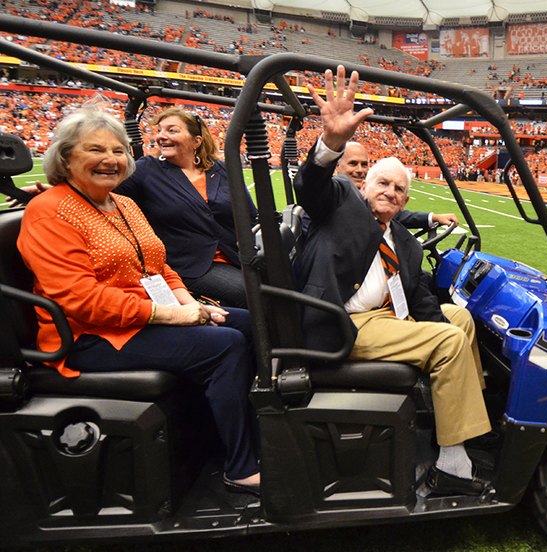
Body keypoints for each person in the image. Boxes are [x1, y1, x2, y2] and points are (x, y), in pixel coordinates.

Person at [17, 105, 261, 496]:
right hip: (91, 336)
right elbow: (83, 301)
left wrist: (187, 304)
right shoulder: (50, 212)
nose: (111, 160)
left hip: (141, 317)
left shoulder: (124, 204)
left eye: (118, 151)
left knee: (248, 324)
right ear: (66, 158)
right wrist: (173, 316)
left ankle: (226, 432)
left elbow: (159, 266)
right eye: (95, 150)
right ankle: (240, 464)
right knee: (225, 345)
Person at [295, 66, 492, 496]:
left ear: (405, 200)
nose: (390, 192)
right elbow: (310, 187)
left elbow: (418, 300)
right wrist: (330, 143)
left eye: (400, 189)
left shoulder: (403, 240)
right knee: (449, 342)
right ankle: (454, 463)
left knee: (459, 320)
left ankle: (462, 413)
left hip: (384, 314)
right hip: (341, 320)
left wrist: (437, 326)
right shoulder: (342, 202)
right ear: (365, 184)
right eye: (382, 182)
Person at [12, 107, 258, 308]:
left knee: (283, 278)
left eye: (172, 130)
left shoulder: (221, 169)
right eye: (159, 131)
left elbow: (249, 214)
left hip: (235, 255)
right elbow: (99, 189)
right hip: (190, 264)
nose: (162, 136)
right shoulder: (146, 170)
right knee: (254, 294)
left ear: (196, 140)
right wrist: (53, 190)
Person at [336, 141, 459, 229]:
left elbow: (396, 215)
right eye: (353, 163)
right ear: (336, 167)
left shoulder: (368, 196)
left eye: (364, 165)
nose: (360, 170)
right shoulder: (329, 195)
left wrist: (433, 217)